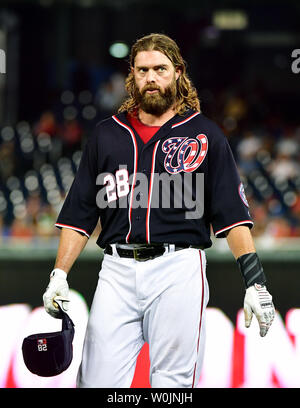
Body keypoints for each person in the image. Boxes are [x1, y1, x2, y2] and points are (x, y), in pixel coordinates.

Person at [43, 33, 275, 388]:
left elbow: (233, 215)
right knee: (94, 382)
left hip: (178, 268)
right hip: (116, 270)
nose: (151, 77)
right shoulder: (107, 135)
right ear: (132, 76)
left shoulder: (205, 134)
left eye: (160, 69)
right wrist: (59, 274)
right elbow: (78, 216)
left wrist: (255, 282)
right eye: (143, 70)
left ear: (178, 73)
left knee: (173, 385)